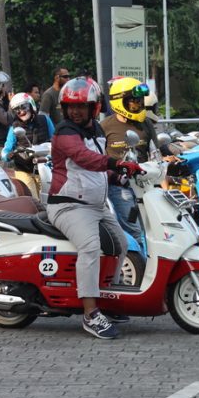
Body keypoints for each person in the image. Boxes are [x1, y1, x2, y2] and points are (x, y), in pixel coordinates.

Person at [46, 76, 142, 339]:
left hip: (95, 205)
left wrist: (118, 176)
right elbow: (84, 158)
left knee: (122, 244)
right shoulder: (65, 132)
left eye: (82, 106)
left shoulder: (96, 130)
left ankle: (109, 298)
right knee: (90, 247)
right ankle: (90, 314)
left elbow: (96, 169)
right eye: (71, 107)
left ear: (94, 107)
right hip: (68, 206)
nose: (76, 111)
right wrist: (116, 164)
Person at [100, 77, 156, 246]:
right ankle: (139, 260)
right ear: (119, 101)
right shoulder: (105, 126)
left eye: (140, 101)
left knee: (154, 228)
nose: (138, 105)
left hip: (145, 183)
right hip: (119, 186)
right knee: (135, 231)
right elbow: (99, 157)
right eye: (134, 101)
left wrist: (176, 152)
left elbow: (157, 150)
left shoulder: (145, 123)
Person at [1, 92, 55, 198]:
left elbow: (56, 140)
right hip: (23, 169)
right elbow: (6, 149)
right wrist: (8, 155)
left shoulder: (44, 120)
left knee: (48, 199)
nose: (21, 112)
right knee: (32, 199)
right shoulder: (14, 127)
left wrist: (52, 153)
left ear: (31, 105)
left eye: (23, 107)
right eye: (17, 110)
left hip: (44, 167)